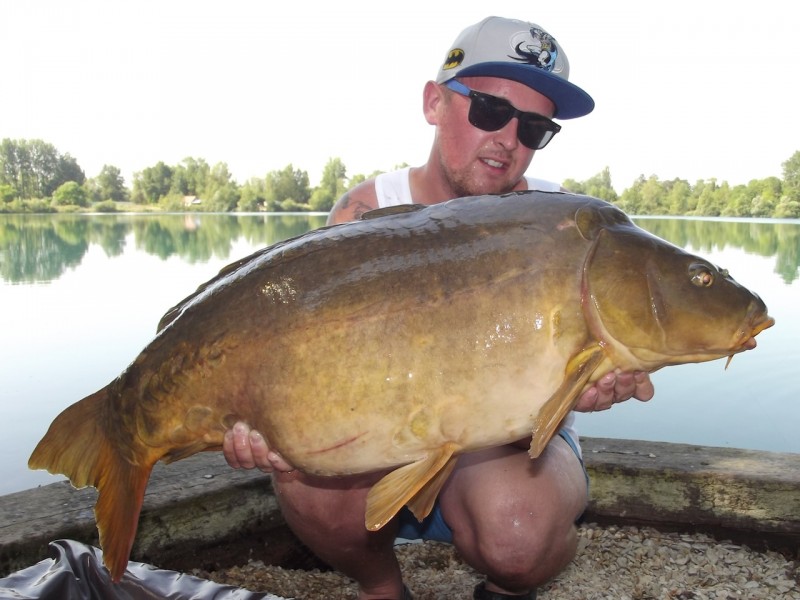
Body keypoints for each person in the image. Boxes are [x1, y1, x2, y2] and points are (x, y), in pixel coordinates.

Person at [223, 16, 654, 600]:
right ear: (434, 102)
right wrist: (259, 418)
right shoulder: (363, 214)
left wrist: (597, 379)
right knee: (304, 474)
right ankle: (382, 588)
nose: (507, 139)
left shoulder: (561, 222)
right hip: (385, 446)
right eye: (489, 111)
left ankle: (506, 588)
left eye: (533, 127)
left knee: (519, 537)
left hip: (509, 449)